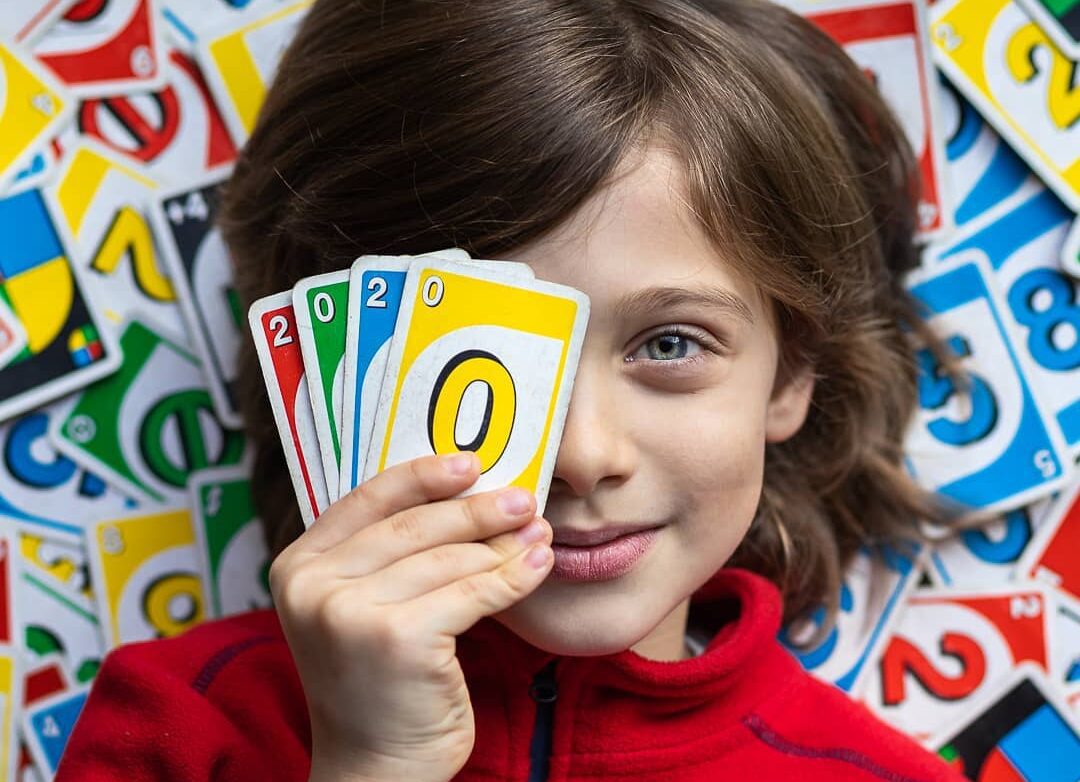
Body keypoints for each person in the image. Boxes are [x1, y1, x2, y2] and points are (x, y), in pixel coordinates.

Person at [56, 1, 968, 780]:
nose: (581, 456)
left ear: (794, 371)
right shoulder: (175, 727)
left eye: (672, 342)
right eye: (484, 350)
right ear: (330, 372)